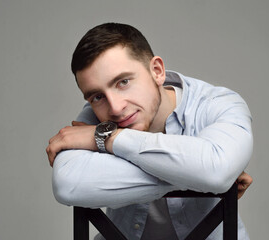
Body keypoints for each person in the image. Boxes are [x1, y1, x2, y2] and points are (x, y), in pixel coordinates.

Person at [47, 23, 253, 239]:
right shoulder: (95, 113)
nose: (115, 108)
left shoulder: (219, 103)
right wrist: (201, 175)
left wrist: (107, 138)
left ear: (157, 71)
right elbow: (67, 185)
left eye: (123, 82)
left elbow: (215, 170)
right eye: (97, 96)